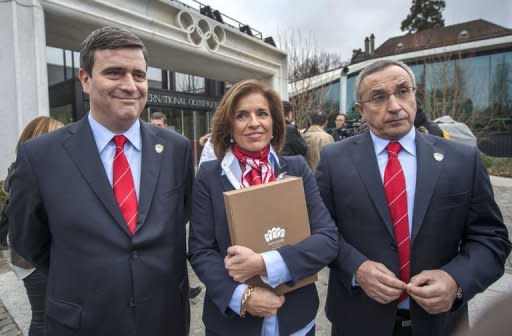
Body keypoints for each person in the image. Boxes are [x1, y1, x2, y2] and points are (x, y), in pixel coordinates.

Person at [7, 26, 194, 335]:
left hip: (164, 319)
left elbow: (180, 216)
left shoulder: (176, 148)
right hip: (82, 323)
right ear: (85, 79)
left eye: (139, 75)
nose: (130, 85)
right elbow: (29, 240)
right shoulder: (40, 155)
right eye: (115, 72)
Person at [315, 59, 511, 336]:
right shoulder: (334, 159)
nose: (394, 106)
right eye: (379, 97)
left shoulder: (463, 160)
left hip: (441, 326)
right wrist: (356, 268)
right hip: (356, 323)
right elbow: (320, 229)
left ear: (414, 95)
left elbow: (492, 240)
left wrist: (456, 279)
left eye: (403, 91)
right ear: (360, 109)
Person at [188, 79, 338, 335]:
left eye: (262, 113)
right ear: (229, 125)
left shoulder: (296, 168)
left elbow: (327, 239)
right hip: (233, 324)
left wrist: (264, 263)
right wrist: (241, 296)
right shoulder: (209, 176)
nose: (254, 122)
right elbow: (201, 250)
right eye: (242, 115)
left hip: (296, 318)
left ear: (274, 123)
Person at [4, 116, 63, 336]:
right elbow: (25, 225)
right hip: (32, 258)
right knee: (42, 316)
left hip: (32, 256)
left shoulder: (24, 168)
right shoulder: (28, 173)